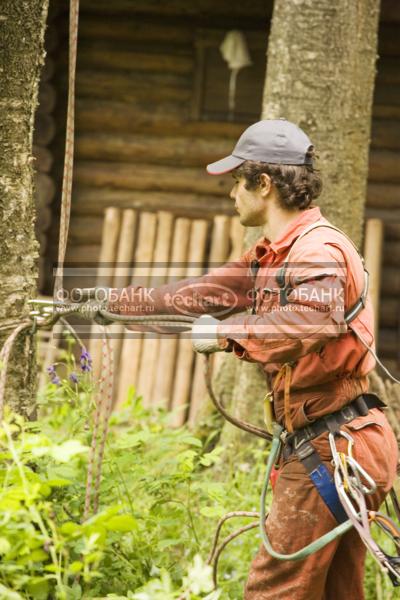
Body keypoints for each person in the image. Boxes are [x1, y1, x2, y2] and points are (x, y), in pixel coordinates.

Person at [101, 120, 399, 599]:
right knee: (334, 594)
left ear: (265, 184)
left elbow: (308, 320)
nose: (231, 195)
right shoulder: (273, 255)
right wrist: (116, 303)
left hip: (333, 447)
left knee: (273, 590)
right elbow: (202, 294)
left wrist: (225, 335)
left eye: (237, 182)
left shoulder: (317, 249)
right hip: (338, 441)